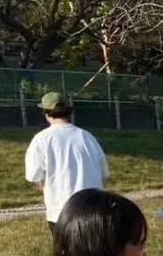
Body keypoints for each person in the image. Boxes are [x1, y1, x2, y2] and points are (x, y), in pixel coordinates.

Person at [24, 92, 109, 234]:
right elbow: (104, 172)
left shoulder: (41, 139)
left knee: (66, 253)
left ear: (46, 113)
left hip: (60, 210)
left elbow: (33, 175)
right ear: (68, 112)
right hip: (92, 209)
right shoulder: (87, 137)